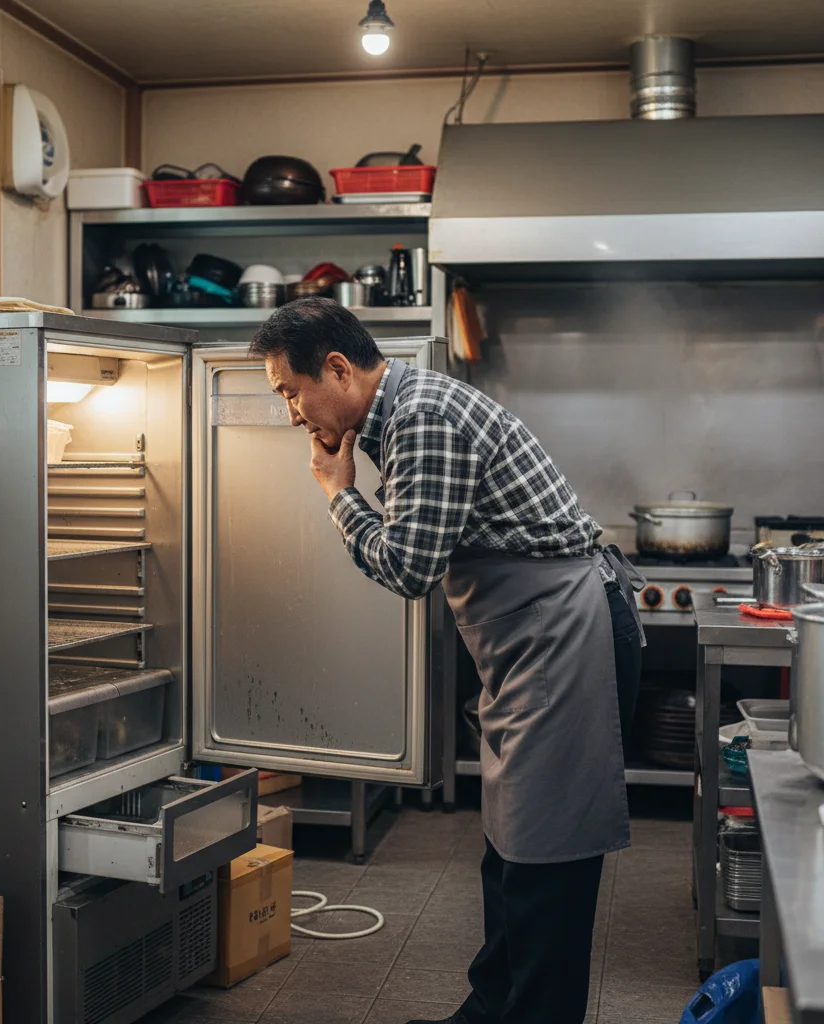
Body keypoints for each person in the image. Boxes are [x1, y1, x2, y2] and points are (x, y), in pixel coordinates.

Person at [249, 297, 644, 1024]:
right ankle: (492, 1010)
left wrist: (339, 496)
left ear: (335, 368)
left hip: (563, 635)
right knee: (510, 845)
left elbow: (408, 567)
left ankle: (537, 1015)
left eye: (289, 391)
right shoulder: (396, 417)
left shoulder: (424, 418)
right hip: (529, 641)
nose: (291, 412)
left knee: (545, 859)